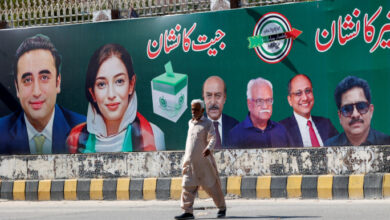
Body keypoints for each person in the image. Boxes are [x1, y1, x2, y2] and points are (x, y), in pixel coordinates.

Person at [67, 43, 165, 153]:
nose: (111, 94)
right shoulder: (74, 139)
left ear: (131, 85)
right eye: (101, 84)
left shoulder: (154, 136)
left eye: (119, 81)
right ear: (92, 93)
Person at [0, 34, 86, 154]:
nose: (36, 92)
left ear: (58, 82)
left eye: (44, 77)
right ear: (17, 87)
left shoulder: (86, 132)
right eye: (27, 80)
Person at [175, 99, 226, 220]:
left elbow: (213, 137)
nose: (193, 111)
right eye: (192, 109)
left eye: (196, 109)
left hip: (203, 163)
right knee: (187, 186)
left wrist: (209, 148)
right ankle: (187, 212)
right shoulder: (190, 123)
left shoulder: (208, 123)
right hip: (190, 162)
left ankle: (222, 208)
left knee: (212, 187)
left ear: (202, 110)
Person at [325, 76, 390, 146]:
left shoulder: (387, 143)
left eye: (361, 107)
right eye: (347, 109)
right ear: (340, 116)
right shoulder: (329, 147)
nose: (355, 114)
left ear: (371, 111)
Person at [227, 77, 289, 148]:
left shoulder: (281, 130)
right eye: (259, 101)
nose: (265, 106)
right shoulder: (236, 134)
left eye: (269, 100)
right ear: (249, 104)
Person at [279, 74, 338, 147]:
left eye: (307, 91)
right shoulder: (281, 130)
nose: (305, 98)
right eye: (298, 93)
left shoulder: (326, 124)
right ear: (290, 100)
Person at [202, 76, 238, 148]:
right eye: (209, 95)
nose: (213, 102)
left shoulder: (235, 127)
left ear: (224, 98)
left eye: (218, 96)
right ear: (204, 98)